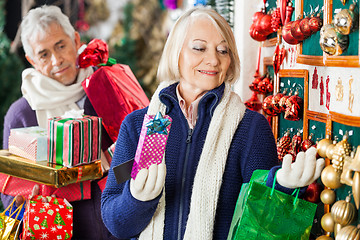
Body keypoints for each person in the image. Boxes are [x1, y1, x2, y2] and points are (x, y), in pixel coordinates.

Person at [101, 6, 325, 240]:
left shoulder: (251, 129)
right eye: (199, 48)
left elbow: (262, 228)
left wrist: (281, 189)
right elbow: (115, 223)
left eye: (223, 50)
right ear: (176, 52)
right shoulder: (136, 127)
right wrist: (137, 199)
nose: (213, 60)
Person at [1, 5, 118, 240]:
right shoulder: (22, 113)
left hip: (116, 227)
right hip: (58, 231)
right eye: (43, 54)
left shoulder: (106, 89)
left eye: (61, 45)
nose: (57, 60)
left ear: (75, 39)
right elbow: (8, 194)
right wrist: (29, 202)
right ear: (31, 60)